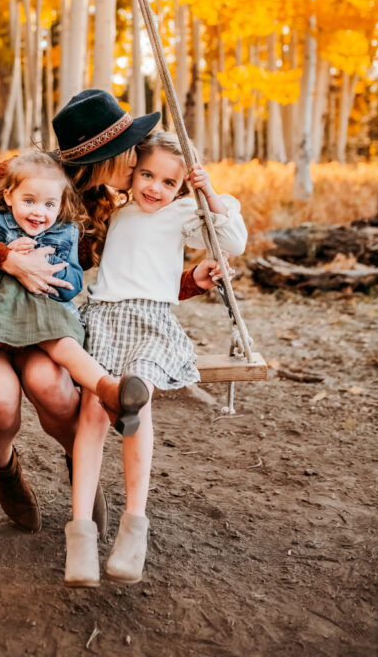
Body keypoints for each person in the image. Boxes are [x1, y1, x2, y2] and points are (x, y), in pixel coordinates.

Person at [0, 89, 228, 534]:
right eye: (130, 155)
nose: (137, 160)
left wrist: (191, 283)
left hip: (45, 320)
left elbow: (124, 278)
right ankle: (5, 469)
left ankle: (80, 471)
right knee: (1, 402)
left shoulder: (108, 203)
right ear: (104, 156)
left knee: (53, 387)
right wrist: (7, 258)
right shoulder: (25, 175)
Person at [64, 130, 248, 587]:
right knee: (92, 410)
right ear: (132, 173)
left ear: (181, 187)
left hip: (151, 320)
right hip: (104, 317)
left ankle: (134, 526)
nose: (155, 188)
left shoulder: (185, 212)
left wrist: (207, 191)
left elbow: (234, 240)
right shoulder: (115, 208)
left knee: (137, 401)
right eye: (146, 175)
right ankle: (81, 533)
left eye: (169, 182)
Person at [0, 150, 147, 451]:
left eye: (49, 204)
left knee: (65, 345)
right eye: (29, 201)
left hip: (43, 309)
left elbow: (74, 281)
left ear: (61, 204)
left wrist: (54, 277)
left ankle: (111, 391)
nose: (39, 212)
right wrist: (4, 254)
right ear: (9, 196)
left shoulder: (65, 231)